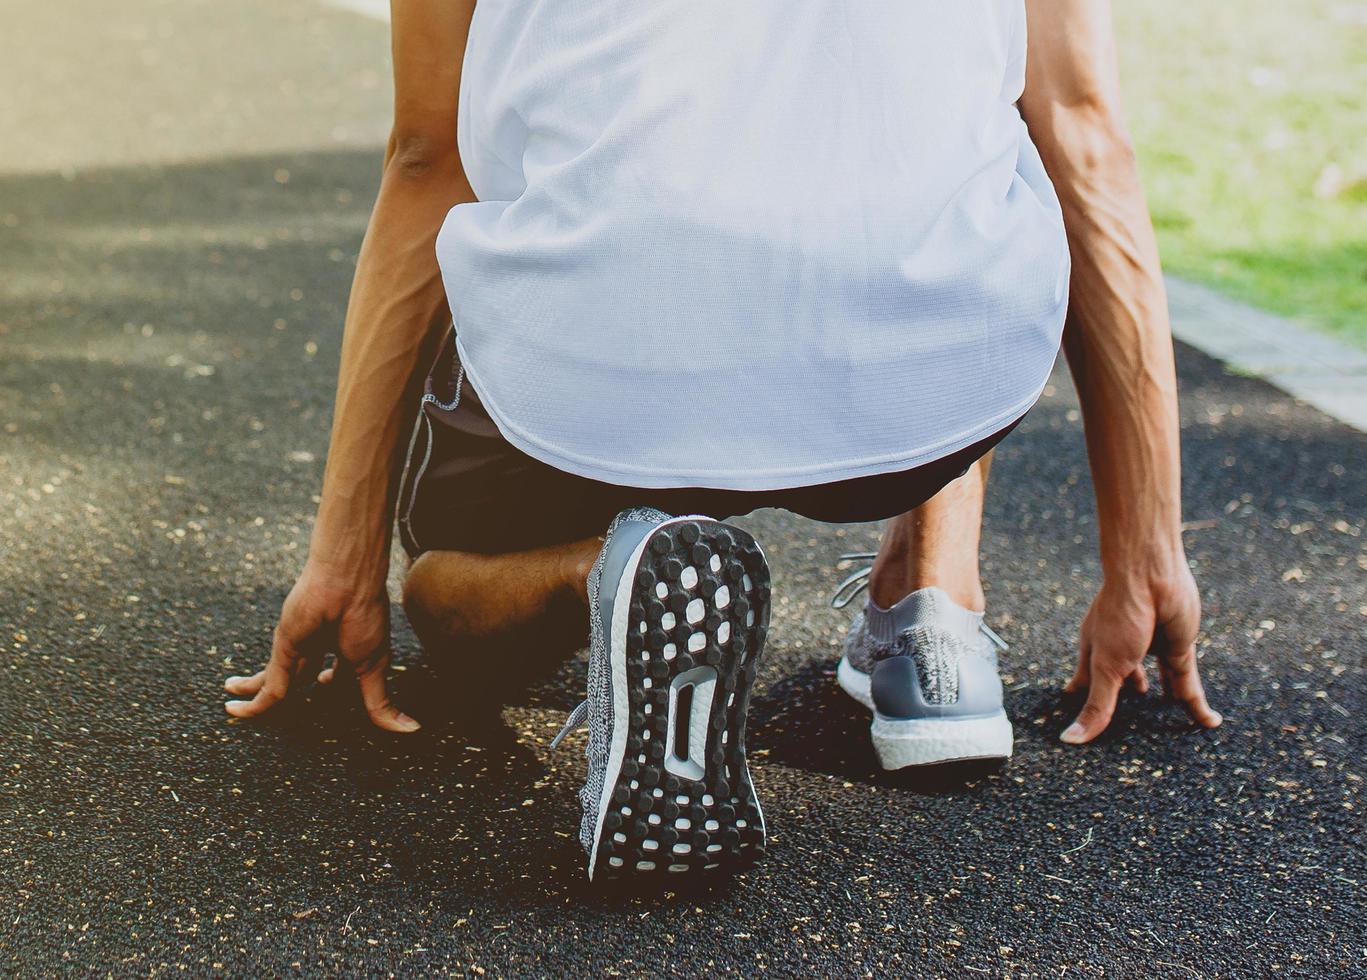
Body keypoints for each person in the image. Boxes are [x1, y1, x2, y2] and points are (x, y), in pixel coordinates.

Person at [219, 0, 1224, 878]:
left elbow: (427, 155)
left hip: (609, 365)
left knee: (446, 588)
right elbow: (1085, 135)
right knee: (955, 150)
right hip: (922, 377)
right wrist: (1145, 553)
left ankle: (603, 572)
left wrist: (341, 554)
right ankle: (935, 608)